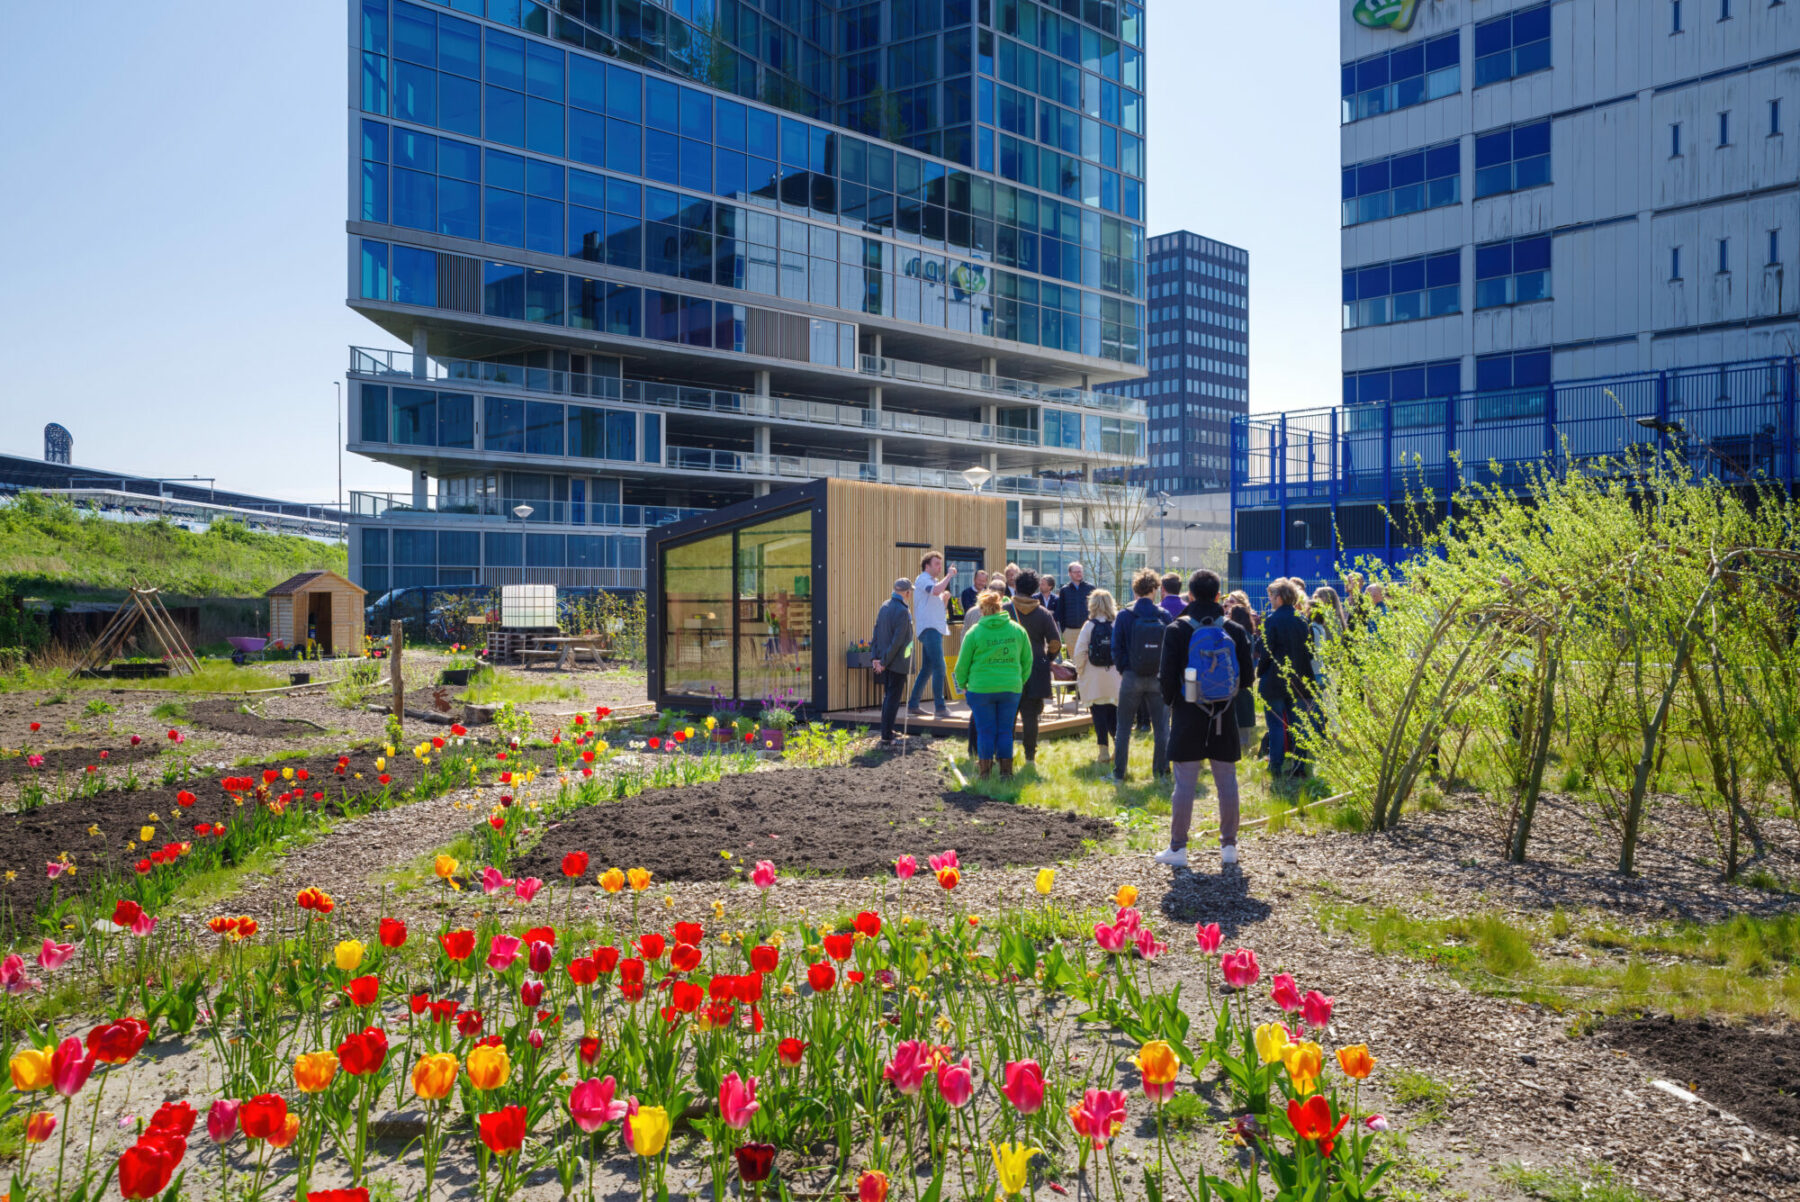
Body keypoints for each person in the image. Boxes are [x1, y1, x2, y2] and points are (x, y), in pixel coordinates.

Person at [1157, 570, 1254, 868]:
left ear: (1190, 595)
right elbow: (1248, 678)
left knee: (1185, 783)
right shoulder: (1235, 629)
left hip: (1188, 712)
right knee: (1227, 782)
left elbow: (1166, 682)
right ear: (1217, 596)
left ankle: (1178, 849)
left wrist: (1178, 703)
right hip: (1225, 714)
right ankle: (1229, 848)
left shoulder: (1177, 629)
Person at [954, 590, 1032, 778]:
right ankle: (1006, 774)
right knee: (1005, 731)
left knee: (985, 731)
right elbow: (1027, 661)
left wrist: (963, 684)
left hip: (980, 689)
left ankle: (985, 774)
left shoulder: (974, 632)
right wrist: (1019, 681)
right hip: (1010, 688)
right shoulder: (1017, 630)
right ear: (1000, 607)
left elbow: (961, 665)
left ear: (981, 610)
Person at [1110, 567, 1172, 783]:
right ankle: (1161, 773)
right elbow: (1171, 649)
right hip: (1158, 677)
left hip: (1131, 676)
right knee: (1162, 727)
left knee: (1124, 726)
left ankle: (1119, 773)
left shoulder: (1125, 615)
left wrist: (1125, 669)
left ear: (1135, 589)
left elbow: (1116, 648)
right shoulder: (1164, 615)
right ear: (1155, 589)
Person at [1257, 579, 1316, 778]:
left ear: (1279, 597)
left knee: (1275, 725)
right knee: (1298, 724)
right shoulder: (1302, 620)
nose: (1269, 600)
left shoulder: (1272, 620)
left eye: (1271, 597)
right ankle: (1300, 765)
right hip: (1299, 680)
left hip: (1274, 679)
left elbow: (1266, 651)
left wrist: (1261, 672)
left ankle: (1276, 765)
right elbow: (1310, 652)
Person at [1007, 569, 1063, 765]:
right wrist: (1047, 658)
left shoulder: (1004, 610)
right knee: (1030, 716)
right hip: (1036, 668)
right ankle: (1030, 758)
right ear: (1034, 589)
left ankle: (1006, 756)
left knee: (1008, 715)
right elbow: (1055, 642)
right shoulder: (1044, 613)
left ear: (1016, 586)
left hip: (1009, 666)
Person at [1073, 588, 1121, 763]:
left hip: (1094, 677)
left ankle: (1103, 751)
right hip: (1115, 676)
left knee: (1098, 714)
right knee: (1114, 714)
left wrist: (1080, 670)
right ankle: (1119, 746)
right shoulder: (1117, 624)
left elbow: (1080, 652)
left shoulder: (1089, 625)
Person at [908, 552, 956, 718]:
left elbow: (939, 605)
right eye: (936, 564)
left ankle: (913, 704)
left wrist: (946, 599)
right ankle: (940, 707)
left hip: (934, 628)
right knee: (939, 666)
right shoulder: (922, 579)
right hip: (929, 628)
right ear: (927, 565)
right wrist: (949, 576)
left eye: (940, 564)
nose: (939, 567)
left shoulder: (933, 581)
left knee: (927, 668)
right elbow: (935, 591)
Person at [870, 578, 914, 748]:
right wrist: (885, 661)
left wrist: (876, 658)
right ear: (907, 592)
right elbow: (898, 641)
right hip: (897, 663)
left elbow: (876, 632)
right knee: (892, 699)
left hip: (885, 661)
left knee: (888, 697)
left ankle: (887, 730)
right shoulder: (903, 611)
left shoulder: (885, 606)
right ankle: (887, 735)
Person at [1226, 592, 1260, 755]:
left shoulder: (1233, 633)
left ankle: (1237, 742)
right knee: (1245, 709)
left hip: (1234, 675)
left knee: (1236, 709)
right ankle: (1245, 742)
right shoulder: (1250, 633)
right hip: (1246, 676)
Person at [1058, 561, 1096, 630]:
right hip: (1070, 630)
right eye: (1076, 572)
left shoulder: (1091, 588)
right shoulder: (1064, 590)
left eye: (1080, 571)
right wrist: (1063, 629)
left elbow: (1096, 608)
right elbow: (1060, 611)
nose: (1079, 574)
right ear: (1069, 573)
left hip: (1088, 629)